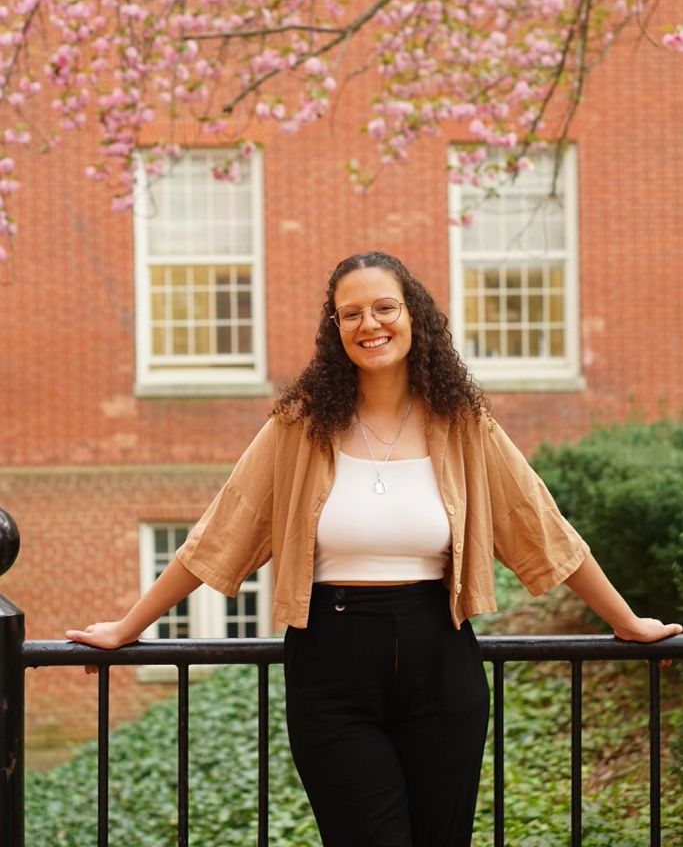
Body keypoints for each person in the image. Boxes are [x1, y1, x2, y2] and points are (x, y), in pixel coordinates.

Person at [66, 250, 682, 847]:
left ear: (413, 313)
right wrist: (128, 627)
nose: (370, 325)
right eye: (350, 313)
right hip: (331, 667)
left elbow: (540, 524)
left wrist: (626, 623)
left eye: (384, 307)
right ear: (335, 328)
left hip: (440, 661)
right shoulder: (300, 423)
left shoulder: (461, 421)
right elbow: (222, 528)